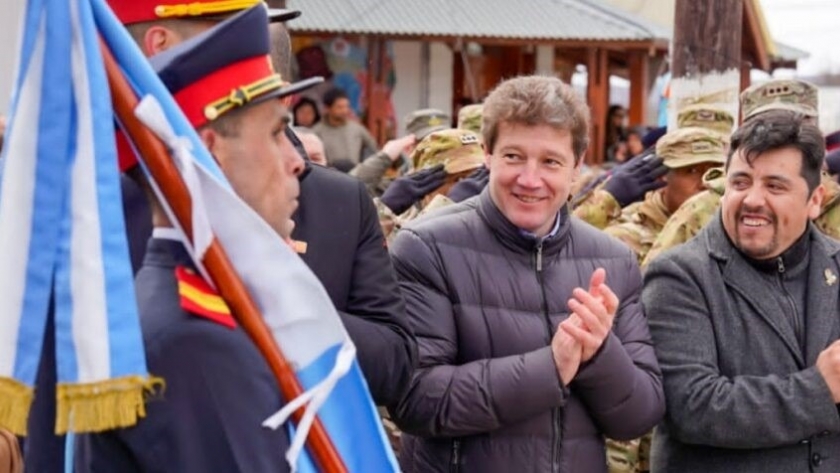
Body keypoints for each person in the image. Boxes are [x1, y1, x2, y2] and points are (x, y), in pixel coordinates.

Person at [389, 76, 664, 472]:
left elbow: (638, 416)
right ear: (487, 154)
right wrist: (549, 368)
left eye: (551, 161)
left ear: (577, 166)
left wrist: (600, 353)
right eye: (514, 156)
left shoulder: (612, 259)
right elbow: (416, 400)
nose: (530, 179)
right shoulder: (426, 247)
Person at [75, 7, 310, 470]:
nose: (296, 160)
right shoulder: (195, 341)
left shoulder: (193, 306)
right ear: (212, 151)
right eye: (277, 133)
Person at [643, 109, 840, 472]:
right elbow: (693, 406)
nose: (752, 199)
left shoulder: (836, 265)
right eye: (741, 182)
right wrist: (819, 389)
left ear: (815, 201)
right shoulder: (679, 276)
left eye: (775, 186)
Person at [641, 79, 840, 266]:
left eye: (798, 127)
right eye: (763, 127)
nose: (780, 138)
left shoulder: (834, 206)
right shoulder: (703, 209)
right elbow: (658, 282)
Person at [605, 127, 727, 264]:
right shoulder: (622, 240)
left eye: (715, 171)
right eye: (692, 171)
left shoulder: (730, 234)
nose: (706, 182)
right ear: (662, 176)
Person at [313, 86, 379, 167]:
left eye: (346, 106)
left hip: (355, 175)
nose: (344, 110)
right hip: (330, 175)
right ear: (327, 108)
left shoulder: (357, 128)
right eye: (339, 107)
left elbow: (374, 149)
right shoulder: (316, 132)